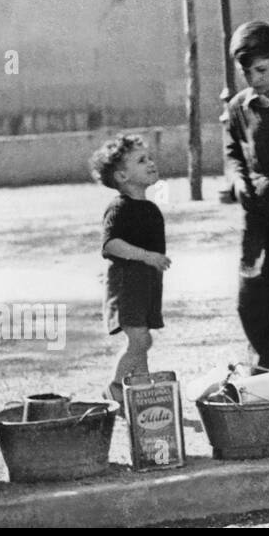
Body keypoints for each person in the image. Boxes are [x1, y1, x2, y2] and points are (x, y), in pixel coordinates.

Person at [223, 21, 269, 367]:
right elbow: (232, 150)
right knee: (251, 298)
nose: (254, 79)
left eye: (262, 69)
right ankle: (266, 361)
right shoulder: (238, 107)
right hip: (257, 219)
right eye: (245, 72)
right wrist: (236, 180)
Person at [90, 134, 169, 403]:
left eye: (150, 158)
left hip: (145, 285)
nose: (150, 163)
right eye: (141, 160)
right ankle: (114, 387)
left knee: (142, 343)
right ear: (122, 176)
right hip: (127, 286)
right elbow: (111, 244)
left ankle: (142, 392)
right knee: (141, 340)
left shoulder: (149, 208)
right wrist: (147, 256)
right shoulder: (119, 208)